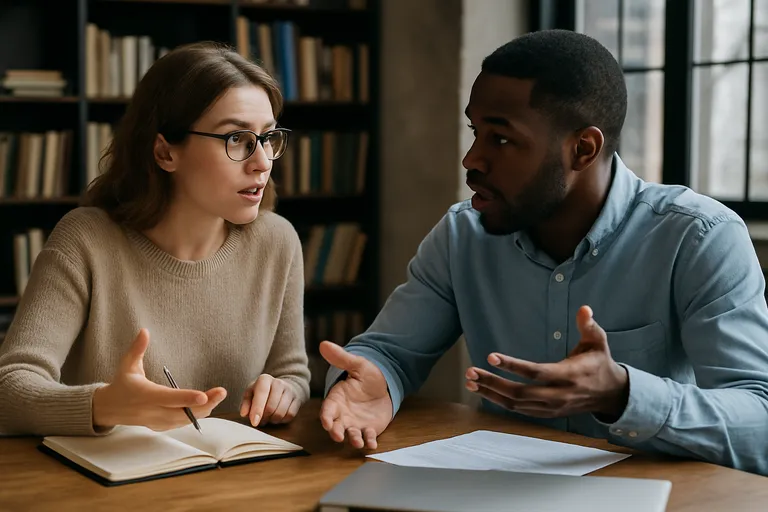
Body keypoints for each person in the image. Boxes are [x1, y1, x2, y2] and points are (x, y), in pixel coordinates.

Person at [318, 29, 768, 476]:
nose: (471, 159)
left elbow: (759, 419)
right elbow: (390, 353)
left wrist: (623, 393)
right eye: (475, 131)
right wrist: (373, 379)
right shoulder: (462, 235)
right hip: (498, 496)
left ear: (583, 149)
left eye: (501, 139)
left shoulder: (698, 237)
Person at [0, 42, 310, 436]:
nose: (262, 161)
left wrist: (284, 391)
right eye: (236, 139)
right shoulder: (86, 240)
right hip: (107, 486)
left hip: (234, 483)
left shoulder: (277, 242)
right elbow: (8, 387)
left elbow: (292, 372)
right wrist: (104, 405)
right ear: (165, 153)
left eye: (267, 137)